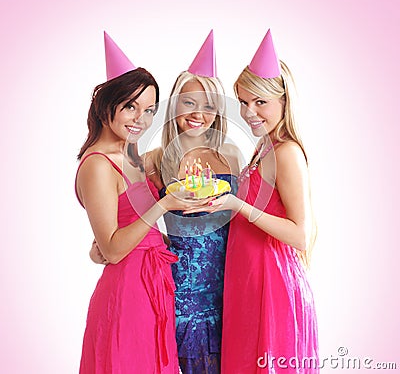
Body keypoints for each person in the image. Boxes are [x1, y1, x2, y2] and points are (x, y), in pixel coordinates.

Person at [188, 30, 319, 373]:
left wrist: (236, 204)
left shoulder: (287, 152)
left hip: (271, 284)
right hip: (246, 280)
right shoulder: (263, 148)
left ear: (283, 101)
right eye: (244, 102)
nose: (249, 112)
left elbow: (299, 234)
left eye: (259, 102)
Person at [77, 32, 208, 374]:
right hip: (127, 294)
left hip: (155, 287)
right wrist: (163, 205)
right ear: (107, 106)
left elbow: (122, 230)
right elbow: (114, 249)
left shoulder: (131, 157)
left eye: (149, 109)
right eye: (131, 107)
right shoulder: (97, 165)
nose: (141, 119)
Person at [145, 30, 241, 373]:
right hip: (180, 289)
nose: (198, 113)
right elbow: (132, 215)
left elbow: (245, 220)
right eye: (189, 102)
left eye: (208, 105)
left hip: (229, 284)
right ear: (175, 106)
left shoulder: (231, 156)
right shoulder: (155, 160)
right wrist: (100, 243)